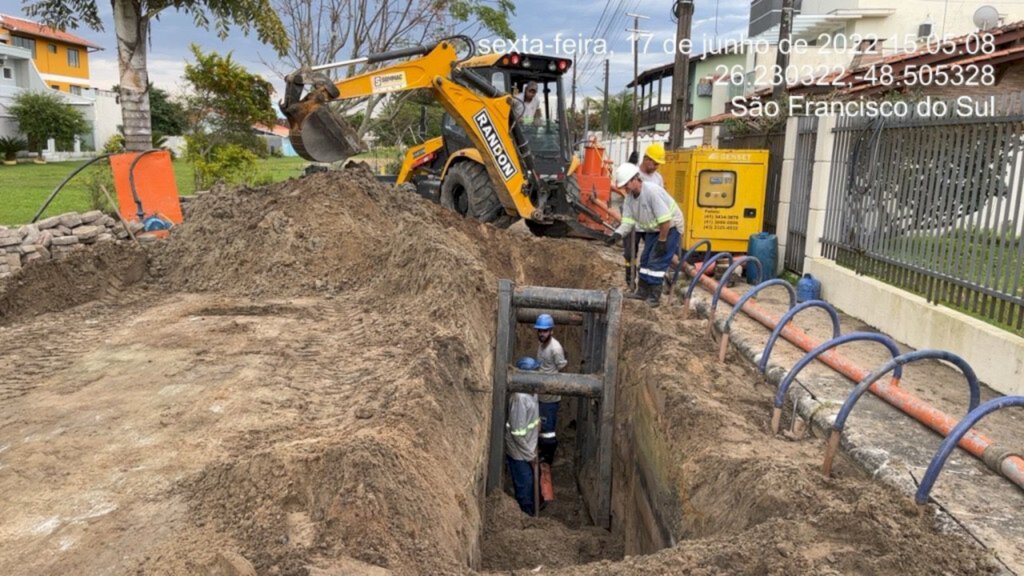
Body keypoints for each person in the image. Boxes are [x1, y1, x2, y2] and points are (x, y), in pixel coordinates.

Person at [604, 162, 684, 307]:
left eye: (626, 184)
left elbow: (665, 220)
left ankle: (654, 297)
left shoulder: (651, 192)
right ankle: (642, 291)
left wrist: (662, 241)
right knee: (645, 259)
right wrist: (617, 235)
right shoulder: (629, 199)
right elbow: (627, 222)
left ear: (635, 179)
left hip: (670, 228)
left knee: (656, 261)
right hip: (654, 229)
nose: (625, 188)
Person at [534, 313, 566, 495]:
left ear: (551, 331)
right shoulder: (542, 344)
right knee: (540, 427)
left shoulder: (555, 349)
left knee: (548, 432)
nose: (541, 333)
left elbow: (562, 369)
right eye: (539, 331)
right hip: (541, 395)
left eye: (545, 331)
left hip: (550, 398)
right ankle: (541, 452)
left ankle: (547, 459)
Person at [506, 357, 541, 515]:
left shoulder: (533, 391)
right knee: (525, 484)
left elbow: (532, 420)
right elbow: (517, 433)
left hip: (529, 447)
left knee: (532, 481)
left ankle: (535, 507)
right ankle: (526, 515)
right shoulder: (519, 399)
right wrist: (530, 456)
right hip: (520, 452)